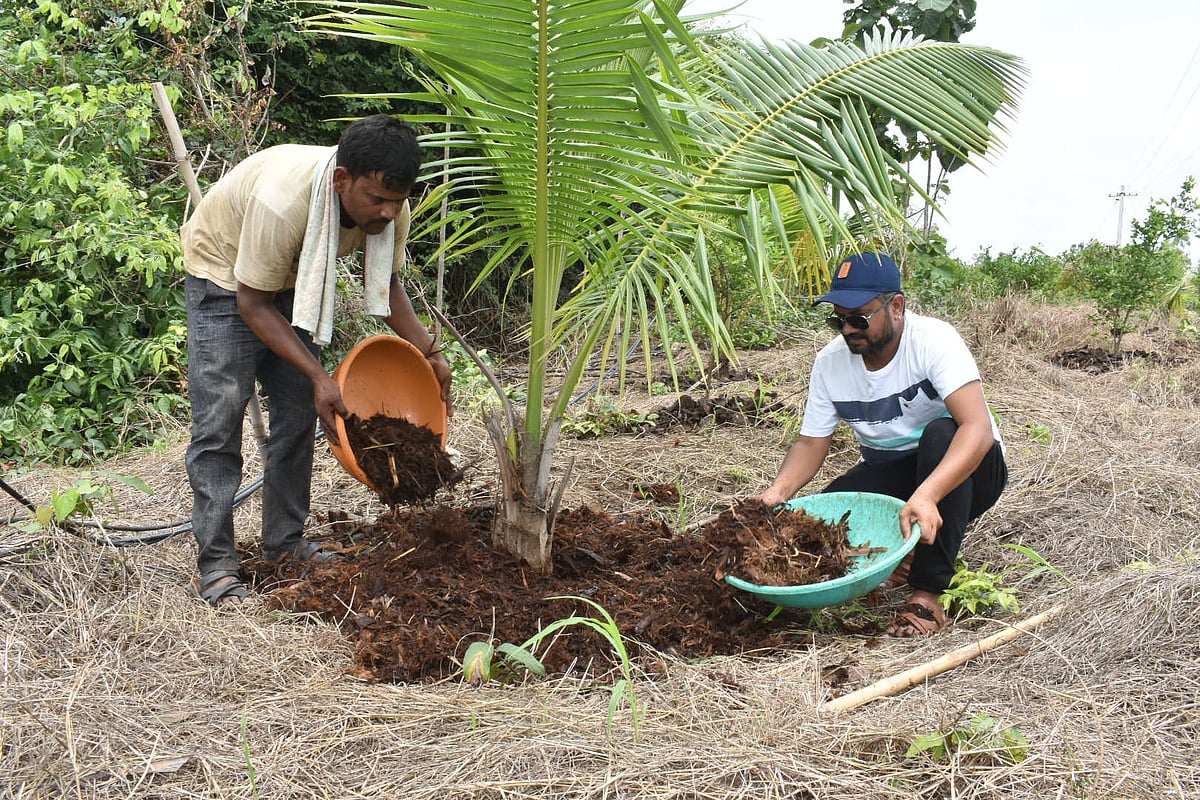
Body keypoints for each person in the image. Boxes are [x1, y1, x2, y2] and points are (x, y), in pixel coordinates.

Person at [181, 114, 452, 608]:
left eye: (398, 200)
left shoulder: (391, 206)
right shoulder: (283, 203)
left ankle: (285, 544)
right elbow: (253, 304)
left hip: (295, 284)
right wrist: (318, 374)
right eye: (378, 200)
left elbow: (387, 288)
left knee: (301, 415)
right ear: (342, 180)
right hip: (224, 281)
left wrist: (431, 353)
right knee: (219, 427)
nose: (389, 212)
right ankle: (216, 566)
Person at [756, 252, 1007, 636]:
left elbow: (976, 428)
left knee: (942, 432)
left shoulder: (933, 341)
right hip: (892, 469)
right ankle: (900, 554)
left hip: (967, 467)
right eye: (837, 319)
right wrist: (778, 492)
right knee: (830, 511)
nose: (847, 330)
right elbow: (810, 443)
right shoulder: (830, 363)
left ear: (897, 307)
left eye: (858, 319)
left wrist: (926, 495)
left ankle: (927, 593)